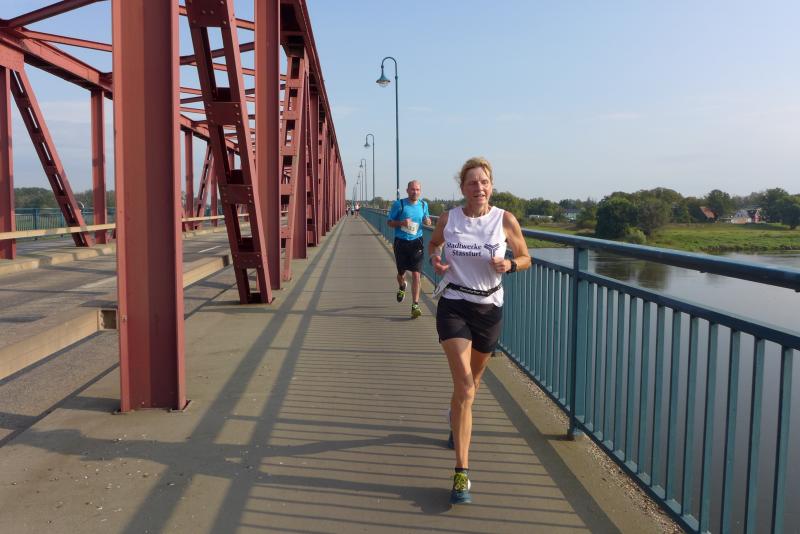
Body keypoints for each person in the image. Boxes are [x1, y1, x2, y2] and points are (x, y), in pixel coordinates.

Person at [427, 157, 531, 505]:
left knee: (471, 383)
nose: (479, 188)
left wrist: (510, 264)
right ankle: (462, 472)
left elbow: (526, 257)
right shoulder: (449, 219)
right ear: (462, 188)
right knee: (466, 387)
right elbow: (434, 244)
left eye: (484, 182)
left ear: (491, 186)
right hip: (454, 304)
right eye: (472, 182)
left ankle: (454, 418)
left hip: (489, 309)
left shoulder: (505, 219)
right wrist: (436, 259)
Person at [387, 180, 432, 318]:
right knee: (401, 273)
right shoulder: (399, 204)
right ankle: (402, 286)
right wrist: (401, 223)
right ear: (407, 191)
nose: (415, 192)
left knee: (416, 274)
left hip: (416, 242)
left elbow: (427, 218)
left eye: (417, 189)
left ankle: (415, 305)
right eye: (412, 189)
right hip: (401, 242)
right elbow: (389, 222)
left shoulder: (423, 204)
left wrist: (427, 221)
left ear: (420, 191)